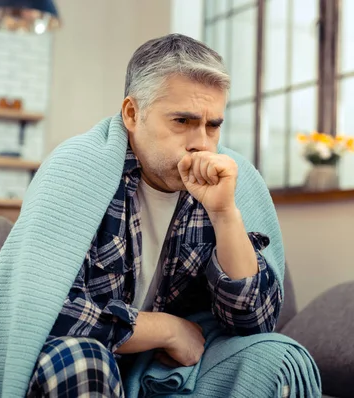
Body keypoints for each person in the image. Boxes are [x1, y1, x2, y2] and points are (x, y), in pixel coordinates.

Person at [26, 33, 283, 397]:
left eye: (213, 125)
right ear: (132, 114)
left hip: (169, 370)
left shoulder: (228, 180)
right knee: (80, 357)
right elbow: (47, 310)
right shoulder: (74, 171)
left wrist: (225, 213)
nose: (202, 143)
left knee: (269, 357)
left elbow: (256, 321)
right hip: (81, 361)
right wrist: (167, 329)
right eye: (182, 121)